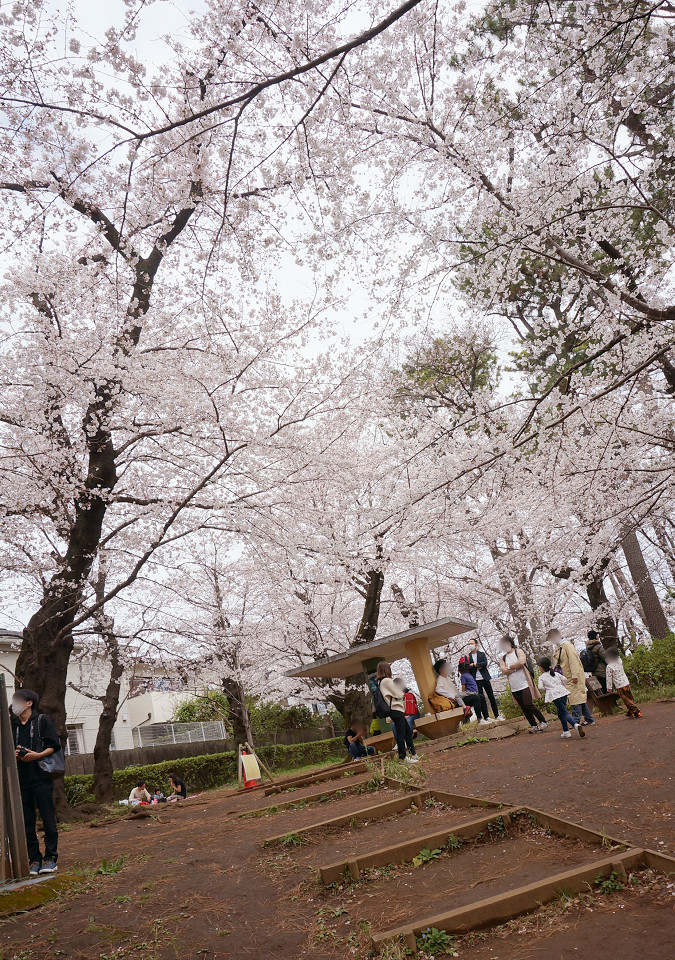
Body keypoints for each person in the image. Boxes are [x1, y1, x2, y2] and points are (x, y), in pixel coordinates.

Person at [11, 688, 60, 876]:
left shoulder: (42, 721)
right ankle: (34, 859)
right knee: (27, 821)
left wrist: (37, 755)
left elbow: (53, 745)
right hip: (22, 780)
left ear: (29, 703)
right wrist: (15, 755)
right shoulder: (13, 725)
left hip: (41, 778)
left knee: (48, 818)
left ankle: (50, 858)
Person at [498, 637, 548, 733]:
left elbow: (521, 662)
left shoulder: (518, 651)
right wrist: (514, 668)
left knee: (528, 704)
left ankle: (543, 721)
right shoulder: (502, 657)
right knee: (523, 707)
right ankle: (534, 725)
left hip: (525, 683)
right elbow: (503, 670)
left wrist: (509, 667)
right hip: (514, 686)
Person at [546, 628, 595, 727]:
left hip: (573, 676)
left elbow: (573, 661)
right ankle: (589, 719)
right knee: (577, 697)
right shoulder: (559, 647)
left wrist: (575, 675)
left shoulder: (567, 645)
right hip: (567, 676)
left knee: (574, 698)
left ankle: (575, 721)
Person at [375, 662, 418, 763]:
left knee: (407, 732)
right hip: (396, 709)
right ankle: (402, 757)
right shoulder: (387, 681)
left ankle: (413, 754)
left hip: (395, 710)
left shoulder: (381, 682)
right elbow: (399, 694)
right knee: (402, 734)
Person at [537, 657, 585, 739]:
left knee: (564, 713)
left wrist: (547, 690)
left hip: (555, 696)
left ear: (541, 668)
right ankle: (566, 731)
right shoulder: (556, 673)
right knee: (560, 713)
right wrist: (562, 687)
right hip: (564, 693)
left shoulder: (542, 677)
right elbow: (565, 679)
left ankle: (575, 725)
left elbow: (540, 687)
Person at [466, 638, 504, 720]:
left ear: (476, 645)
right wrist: (478, 666)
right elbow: (468, 667)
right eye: (469, 644)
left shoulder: (481, 654)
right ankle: (486, 717)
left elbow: (485, 663)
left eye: (471, 643)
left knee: (491, 697)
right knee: (481, 699)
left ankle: (497, 715)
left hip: (485, 678)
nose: (470, 645)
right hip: (476, 680)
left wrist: (475, 665)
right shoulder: (467, 657)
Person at [605, 648, 642, 718]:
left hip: (620, 686)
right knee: (630, 697)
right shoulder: (619, 661)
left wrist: (609, 688)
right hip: (626, 682)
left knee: (626, 699)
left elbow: (609, 678)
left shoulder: (609, 667)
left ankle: (636, 711)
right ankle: (631, 711)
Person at [458, 657, 490, 725]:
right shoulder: (469, 675)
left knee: (457, 696)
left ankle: (486, 717)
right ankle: (480, 719)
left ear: (460, 671)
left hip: (469, 693)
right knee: (478, 697)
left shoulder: (463, 676)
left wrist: (463, 695)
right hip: (474, 692)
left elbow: (463, 688)